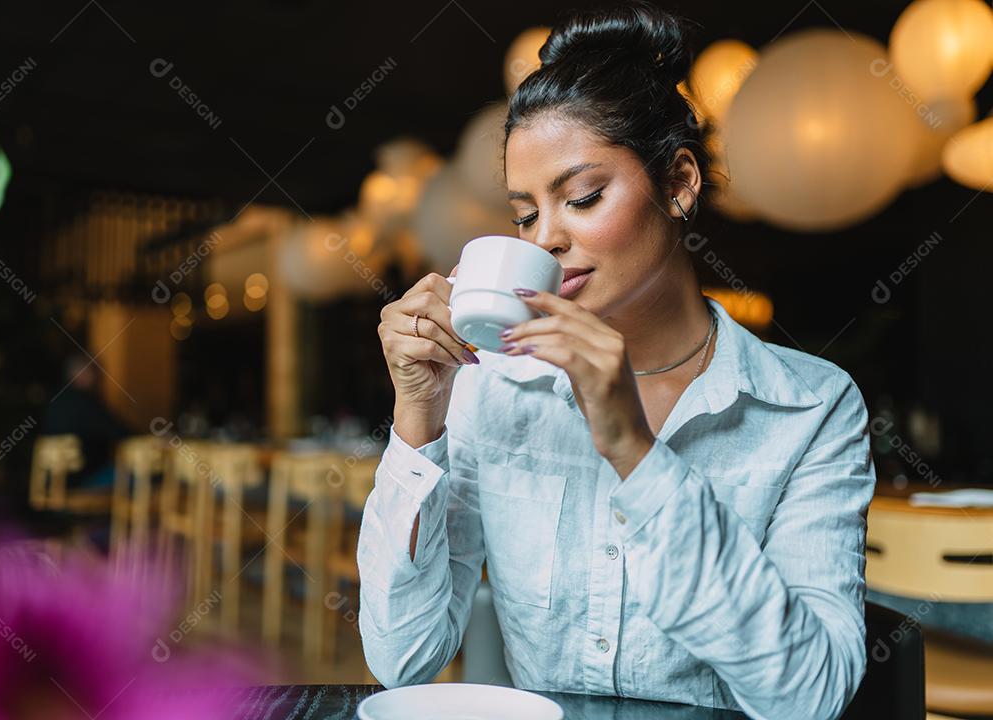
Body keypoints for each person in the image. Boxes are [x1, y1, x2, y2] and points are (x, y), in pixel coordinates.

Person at [358, 3, 877, 719]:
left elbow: (811, 697)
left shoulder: (810, 409)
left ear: (679, 182)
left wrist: (636, 452)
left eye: (582, 197)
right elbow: (403, 660)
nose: (548, 239)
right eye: (525, 214)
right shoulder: (495, 389)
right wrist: (418, 417)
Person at [42, 355, 132, 489]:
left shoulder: (55, 399)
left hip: (51, 484)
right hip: (82, 482)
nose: (99, 378)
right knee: (139, 476)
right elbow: (121, 433)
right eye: (95, 372)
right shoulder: (85, 402)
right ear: (83, 373)